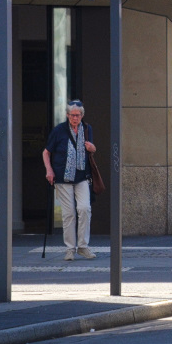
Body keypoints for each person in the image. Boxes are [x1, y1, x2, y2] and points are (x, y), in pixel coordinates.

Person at [42, 100, 97, 261]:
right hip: (62, 177)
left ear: (82, 115)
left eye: (78, 115)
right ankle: (70, 249)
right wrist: (49, 170)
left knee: (85, 209)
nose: (75, 118)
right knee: (69, 214)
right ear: (67, 115)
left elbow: (91, 150)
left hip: (82, 176)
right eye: (72, 115)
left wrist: (93, 148)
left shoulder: (87, 129)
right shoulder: (59, 130)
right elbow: (46, 152)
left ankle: (83, 246)